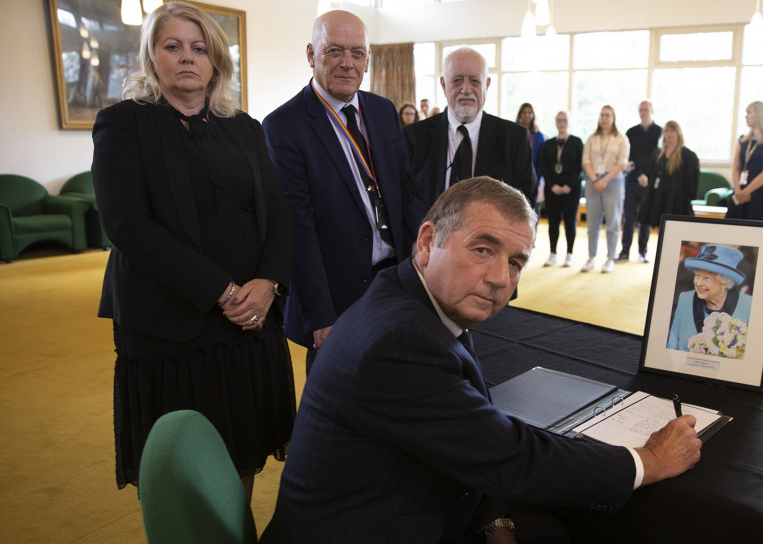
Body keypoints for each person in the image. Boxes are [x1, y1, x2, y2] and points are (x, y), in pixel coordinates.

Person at [259, 177, 702, 543]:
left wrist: (497, 520)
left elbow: (474, 433)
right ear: (429, 241)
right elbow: (513, 458)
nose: (499, 279)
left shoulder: (417, 299)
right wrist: (649, 459)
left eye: (515, 263)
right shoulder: (401, 341)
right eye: (482, 250)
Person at [90, 1, 296, 500]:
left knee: (242, 447)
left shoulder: (244, 127)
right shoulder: (123, 124)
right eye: (173, 46)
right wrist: (223, 292)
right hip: (170, 326)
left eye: (199, 48)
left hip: (250, 322)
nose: (187, 58)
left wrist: (267, 285)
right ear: (152, 57)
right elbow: (128, 226)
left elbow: (278, 214)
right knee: (181, 465)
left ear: (216, 61)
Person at [263, 10, 423, 374]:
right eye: (334, 51)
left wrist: (424, 266)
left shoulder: (382, 111)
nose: (347, 64)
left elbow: (407, 194)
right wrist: (320, 314)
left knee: (399, 379)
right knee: (340, 396)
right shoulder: (283, 127)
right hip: (337, 291)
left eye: (357, 53)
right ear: (311, 55)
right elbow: (298, 228)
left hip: (395, 276)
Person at [404, 47, 537, 212]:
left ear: (487, 85)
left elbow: (526, 204)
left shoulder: (514, 139)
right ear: (444, 85)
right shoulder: (414, 137)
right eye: (457, 80)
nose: (466, 89)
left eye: (474, 81)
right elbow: (404, 199)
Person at [667, 244, 752, 351]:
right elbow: (672, 343)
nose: (698, 283)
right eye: (697, 275)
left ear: (725, 282)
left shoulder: (748, 305)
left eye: (706, 278)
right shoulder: (685, 299)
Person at [581, 105, 630, 274]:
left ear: (614, 118)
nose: (604, 118)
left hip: (613, 182)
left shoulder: (621, 138)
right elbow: (585, 161)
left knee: (612, 222)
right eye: (602, 115)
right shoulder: (592, 138)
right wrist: (596, 180)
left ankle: (610, 258)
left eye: (608, 115)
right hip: (593, 181)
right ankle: (591, 257)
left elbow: (622, 163)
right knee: (592, 223)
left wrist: (605, 180)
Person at [538, 111, 584, 267]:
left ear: (569, 122)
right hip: (553, 189)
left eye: (564, 120)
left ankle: (569, 254)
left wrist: (568, 186)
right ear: (555, 122)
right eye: (559, 120)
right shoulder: (548, 144)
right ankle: (553, 253)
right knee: (553, 222)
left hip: (571, 189)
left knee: (570, 222)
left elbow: (580, 166)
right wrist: (553, 185)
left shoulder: (577, 142)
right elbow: (543, 166)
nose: (562, 123)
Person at [619, 100, 662, 263]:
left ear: (652, 111)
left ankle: (643, 251)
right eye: (640, 110)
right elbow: (627, 158)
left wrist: (647, 177)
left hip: (649, 183)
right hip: (632, 181)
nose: (643, 112)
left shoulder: (660, 132)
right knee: (628, 218)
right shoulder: (631, 132)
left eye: (646, 109)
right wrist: (638, 174)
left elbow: (658, 158)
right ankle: (624, 251)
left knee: (646, 218)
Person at [637, 120, 701, 229]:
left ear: (678, 133)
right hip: (659, 197)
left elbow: (693, 178)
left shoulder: (687, 155)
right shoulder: (658, 153)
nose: (669, 134)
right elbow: (650, 172)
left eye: (672, 130)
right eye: (666, 131)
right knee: (659, 228)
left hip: (677, 201)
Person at [726, 101, 763, 222]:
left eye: (749, 112)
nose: (746, 116)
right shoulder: (742, 140)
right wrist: (738, 191)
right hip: (740, 189)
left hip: (760, 192)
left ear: (760, 115)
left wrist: (746, 192)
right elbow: (736, 167)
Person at [516, 102, 547, 197]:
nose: (527, 115)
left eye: (530, 113)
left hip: (534, 176)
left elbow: (541, 160)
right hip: (517, 175)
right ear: (520, 115)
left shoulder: (539, 136)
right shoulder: (514, 132)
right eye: (524, 112)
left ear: (533, 115)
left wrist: (537, 180)